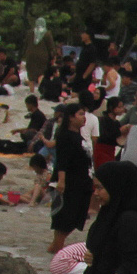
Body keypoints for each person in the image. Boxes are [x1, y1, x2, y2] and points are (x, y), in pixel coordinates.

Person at [48, 104, 92, 255]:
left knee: (76, 216)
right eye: (80, 114)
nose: (83, 117)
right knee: (65, 217)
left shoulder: (78, 135)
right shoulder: (65, 135)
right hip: (70, 181)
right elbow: (62, 160)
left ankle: (55, 246)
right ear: (71, 117)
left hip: (81, 180)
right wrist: (61, 181)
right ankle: (56, 248)